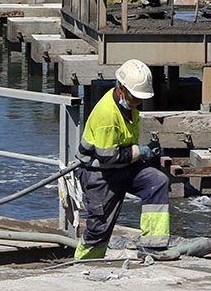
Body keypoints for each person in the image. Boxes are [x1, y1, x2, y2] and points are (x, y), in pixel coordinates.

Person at [73, 59, 170, 259]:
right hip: (99, 173)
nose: (137, 102)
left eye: (139, 99)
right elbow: (107, 157)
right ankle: (85, 262)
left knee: (157, 182)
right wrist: (142, 152)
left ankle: (154, 247)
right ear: (120, 89)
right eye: (134, 97)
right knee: (99, 229)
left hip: (124, 167)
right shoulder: (107, 115)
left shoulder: (129, 106)